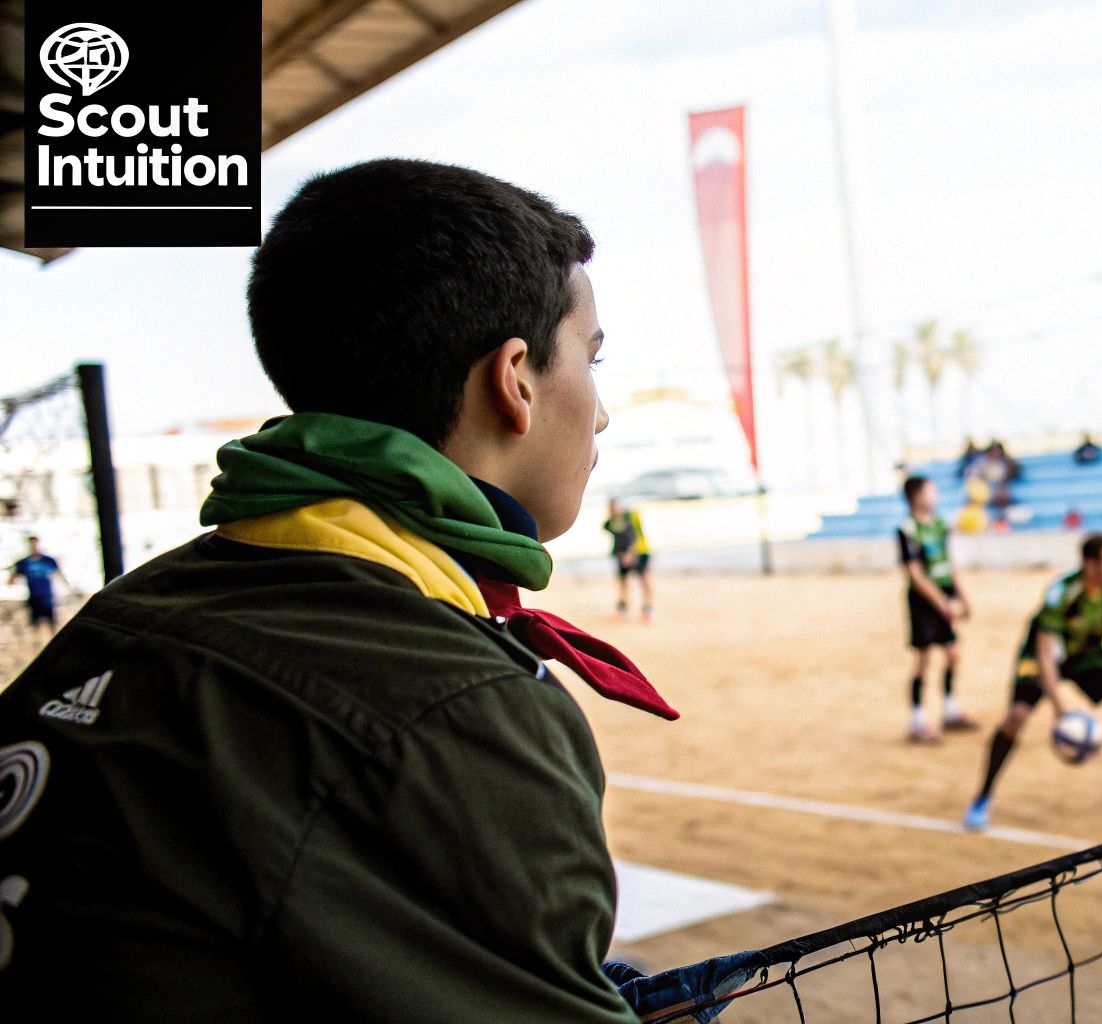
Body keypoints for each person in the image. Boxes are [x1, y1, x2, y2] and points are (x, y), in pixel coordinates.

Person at [0, 160, 745, 1020]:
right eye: (593, 357)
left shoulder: (129, 611)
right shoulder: (452, 705)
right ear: (516, 380)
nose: (603, 411)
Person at [963, 534, 1102, 831]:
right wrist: (1061, 710)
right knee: (1016, 716)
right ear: (1089, 564)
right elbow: (1046, 655)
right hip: (1043, 655)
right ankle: (982, 797)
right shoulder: (1063, 592)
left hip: (1085, 656)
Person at [897, 476, 976, 743]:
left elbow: (946, 562)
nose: (936, 495)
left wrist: (962, 597)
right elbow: (916, 575)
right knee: (923, 660)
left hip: (945, 594)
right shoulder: (907, 529)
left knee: (952, 654)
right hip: (924, 602)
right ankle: (917, 721)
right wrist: (942, 603)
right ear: (916, 496)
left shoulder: (940, 524)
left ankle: (950, 711)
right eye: (931, 491)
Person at [8, 535, 74, 636]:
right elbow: (13, 579)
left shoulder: (48, 560)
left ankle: (54, 645)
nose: (34, 546)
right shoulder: (24, 563)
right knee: (35, 624)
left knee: (52, 623)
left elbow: (59, 574)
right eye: (31, 544)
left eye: (35, 543)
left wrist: (69, 587)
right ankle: (38, 646)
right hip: (34, 596)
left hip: (47, 597)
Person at [604, 497, 653, 621]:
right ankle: (623, 609)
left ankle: (647, 610)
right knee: (623, 583)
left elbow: (635, 537)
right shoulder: (611, 523)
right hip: (622, 555)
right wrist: (620, 554)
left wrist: (630, 554)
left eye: (617, 506)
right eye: (613, 507)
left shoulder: (630, 517)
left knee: (644, 581)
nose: (615, 509)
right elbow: (616, 539)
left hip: (641, 552)